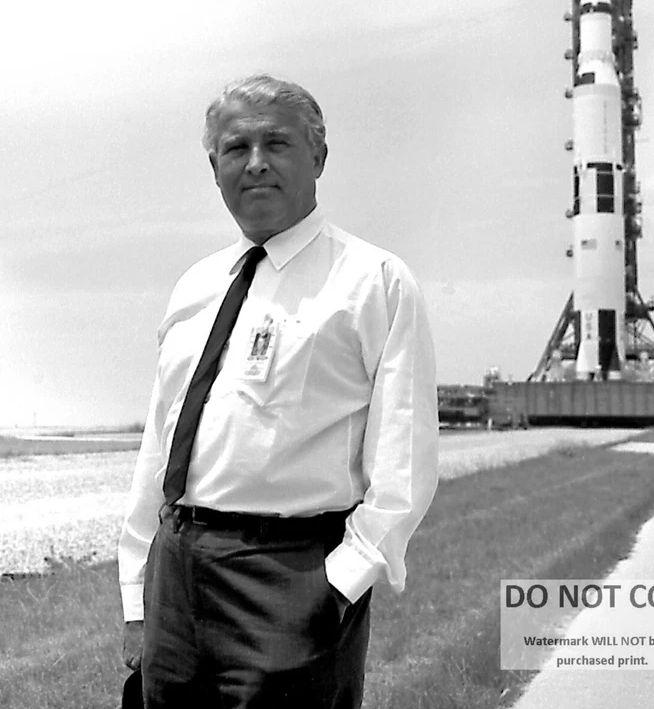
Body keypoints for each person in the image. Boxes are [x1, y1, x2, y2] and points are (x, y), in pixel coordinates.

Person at [118, 74, 439, 708]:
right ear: (214, 168)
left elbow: (404, 464)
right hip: (177, 573)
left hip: (291, 577)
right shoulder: (196, 288)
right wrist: (138, 593)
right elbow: (160, 448)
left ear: (318, 156)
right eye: (236, 149)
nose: (256, 163)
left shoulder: (373, 282)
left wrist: (340, 584)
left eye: (278, 144)